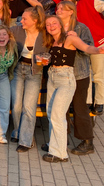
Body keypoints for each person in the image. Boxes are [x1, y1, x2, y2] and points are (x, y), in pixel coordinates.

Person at [41, 15, 104, 163]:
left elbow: (86, 47)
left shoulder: (70, 39)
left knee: (58, 115)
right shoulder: (52, 41)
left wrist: (98, 50)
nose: (51, 26)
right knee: (51, 114)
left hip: (66, 79)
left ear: (61, 25)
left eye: (54, 23)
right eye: (48, 24)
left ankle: (59, 154)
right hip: (53, 78)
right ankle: (55, 145)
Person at [59, 0, 104, 115]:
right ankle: (87, 101)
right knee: (85, 74)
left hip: (97, 42)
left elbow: (102, 7)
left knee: (98, 74)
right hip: (80, 45)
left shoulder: (88, 1)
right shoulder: (64, 8)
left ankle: (100, 102)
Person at [56, 1, 95, 155]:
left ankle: (87, 142)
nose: (58, 10)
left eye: (61, 9)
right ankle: (61, 139)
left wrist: (77, 39)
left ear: (71, 11)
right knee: (61, 108)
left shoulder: (81, 28)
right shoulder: (55, 27)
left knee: (79, 107)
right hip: (60, 74)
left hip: (78, 74)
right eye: (57, 8)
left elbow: (88, 49)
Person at [9, 6, 47, 152]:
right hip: (18, 69)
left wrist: (46, 60)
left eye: (25, 19)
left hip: (35, 72)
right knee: (16, 105)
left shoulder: (45, 34)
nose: (21, 21)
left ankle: (26, 141)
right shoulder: (17, 30)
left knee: (29, 107)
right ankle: (18, 131)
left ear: (35, 21)